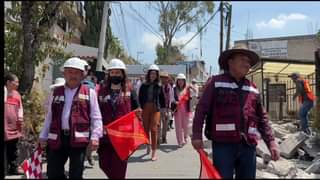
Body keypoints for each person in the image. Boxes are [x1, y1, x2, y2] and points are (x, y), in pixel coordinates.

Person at [191, 45, 280, 179]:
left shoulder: (253, 88)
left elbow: (262, 118)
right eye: (243, 59)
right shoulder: (216, 83)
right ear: (230, 62)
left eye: (249, 62)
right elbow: (201, 109)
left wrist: (271, 142)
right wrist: (197, 135)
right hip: (223, 146)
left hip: (248, 146)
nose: (247, 64)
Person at [39, 57, 103, 179]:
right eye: (69, 72)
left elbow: (96, 117)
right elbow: (50, 116)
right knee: (53, 172)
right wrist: (43, 135)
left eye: (76, 72)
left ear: (82, 75)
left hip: (79, 139)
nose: (72, 75)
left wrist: (95, 137)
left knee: (76, 174)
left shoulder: (90, 92)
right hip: (57, 137)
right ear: (64, 73)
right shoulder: (55, 92)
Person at [97, 58, 141, 178]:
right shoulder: (101, 90)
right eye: (112, 72)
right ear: (109, 74)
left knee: (120, 168)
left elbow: (137, 109)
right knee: (103, 163)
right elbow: (95, 111)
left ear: (122, 74)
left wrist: (138, 114)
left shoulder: (130, 90)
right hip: (105, 136)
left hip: (122, 136)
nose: (115, 75)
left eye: (118, 72)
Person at [139, 64, 165, 161]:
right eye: (151, 73)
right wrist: (139, 108)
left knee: (154, 129)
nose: (153, 75)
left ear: (157, 75)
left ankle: (154, 151)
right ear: (149, 74)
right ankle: (148, 145)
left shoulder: (159, 85)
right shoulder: (143, 85)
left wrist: (165, 110)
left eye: (155, 74)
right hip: (145, 108)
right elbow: (140, 98)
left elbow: (162, 99)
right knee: (145, 129)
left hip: (155, 109)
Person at [4, 73, 24, 175]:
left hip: (14, 126)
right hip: (4, 125)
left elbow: (20, 108)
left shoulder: (17, 94)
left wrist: (20, 118)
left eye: (18, 82)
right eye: (15, 82)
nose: (17, 84)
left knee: (13, 148)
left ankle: (13, 168)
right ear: (8, 82)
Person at [171, 73, 192, 148]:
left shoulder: (187, 89)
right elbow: (171, 98)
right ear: (177, 81)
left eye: (182, 80)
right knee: (178, 126)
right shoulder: (174, 89)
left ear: (184, 81)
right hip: (177, 109)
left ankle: (185, 137)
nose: (180, 82)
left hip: (185, 109)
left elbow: (191, 98)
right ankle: (179, 141)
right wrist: (175, 102)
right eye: (179, 80)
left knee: (185, 126)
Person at [158, 71, 174, 144]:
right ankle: (158, 139)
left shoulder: (169, 87)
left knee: (165, 125)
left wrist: (169, 109)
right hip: (158, 108)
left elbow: (170, 98)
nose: (164, 79)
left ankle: (164, 137)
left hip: (166, 108)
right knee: (158, 125)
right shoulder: (158, 86)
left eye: (166, 78)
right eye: (162, 78)